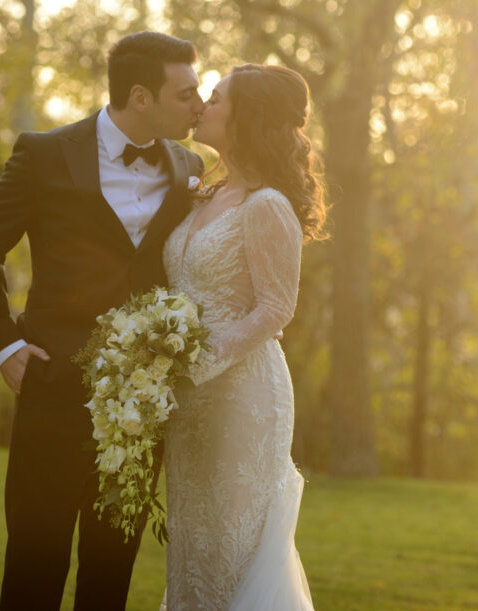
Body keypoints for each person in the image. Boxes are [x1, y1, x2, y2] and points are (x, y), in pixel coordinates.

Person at [0, 31, 205, 610]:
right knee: (35, 558)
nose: (198, 105)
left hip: (143, 402)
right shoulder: (45, 154)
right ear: (141, 97)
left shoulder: (190, 166)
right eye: (186, 93)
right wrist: (2, 345)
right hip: (50, 385)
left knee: (110, 568)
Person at [161, 63, 324, 610]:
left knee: (231, 552)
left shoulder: (267, 204)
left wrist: (201, 360)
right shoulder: (206, 194)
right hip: (187, 399)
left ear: (245, 116)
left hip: (243, 399)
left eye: (216, 97)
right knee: (192, 548)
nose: (202, 105)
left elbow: (276, 307)